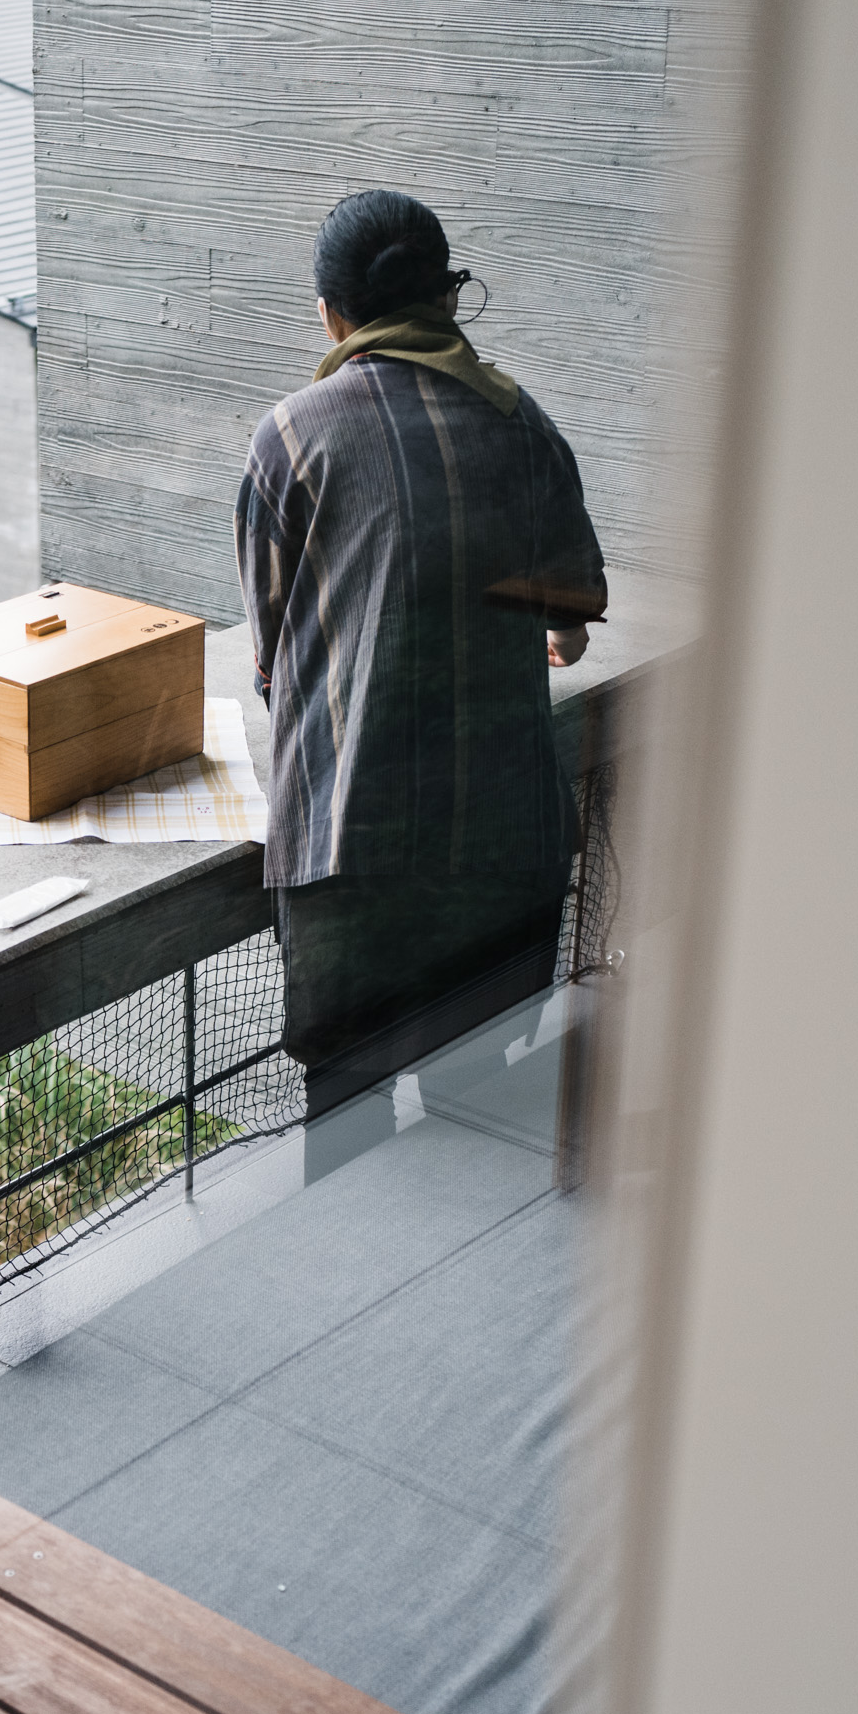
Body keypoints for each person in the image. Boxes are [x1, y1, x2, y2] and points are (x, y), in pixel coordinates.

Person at [239, 189, 606, 1070]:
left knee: (347, 1130)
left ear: (331, 317)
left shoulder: (289, 437)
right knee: (476, 1101)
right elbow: (577, 609)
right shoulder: (523, 425)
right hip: (504, 848)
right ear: (447, 297)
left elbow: (273, 648)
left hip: (350, 855)